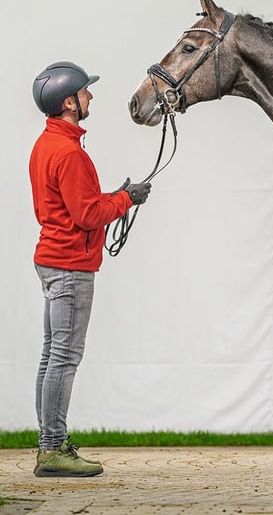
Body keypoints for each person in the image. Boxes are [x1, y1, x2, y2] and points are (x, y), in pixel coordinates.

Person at [29, 61, 151, 477]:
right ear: (68, 102)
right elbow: (85, 215)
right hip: (70, 266)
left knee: (52, 357)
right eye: (84, 92)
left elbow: (75, 204)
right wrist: (127, 199)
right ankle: (52, 450)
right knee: (64, 357)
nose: (90, 97)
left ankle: (50, 443)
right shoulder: (68, 152)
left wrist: (114, 197)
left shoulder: (49, 145)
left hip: (53, 260)